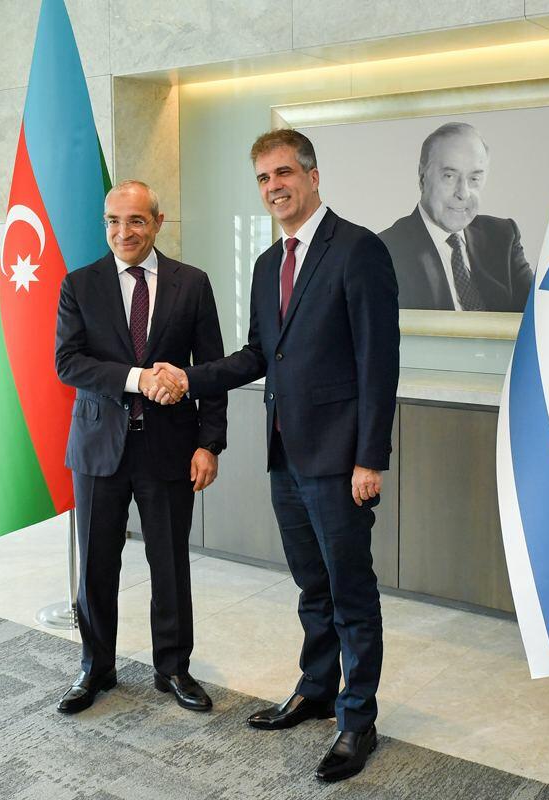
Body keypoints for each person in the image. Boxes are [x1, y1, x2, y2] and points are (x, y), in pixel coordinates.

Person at [154, 130, 399, 783]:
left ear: (312, 177)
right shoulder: (269, 264)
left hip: (340, 457)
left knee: (350, 591)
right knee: (311, 585)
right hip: (285, 454)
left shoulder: (358, 250)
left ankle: (357, 719)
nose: (273, 187)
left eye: (283, 173)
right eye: (263, 178)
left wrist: (369, 457)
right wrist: (188, 377)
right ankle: (316, 688)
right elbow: (260, 355)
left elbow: (379, 362)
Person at [53, 180, 227, 715]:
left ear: (157, 222)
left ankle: (172, 667)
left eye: (135, 220)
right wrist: (137, 378)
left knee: (169, 563)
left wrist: (209, 444)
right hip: (98, 449)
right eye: (113, 221)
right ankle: (95, 667)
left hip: (169, 449)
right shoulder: (79, 284)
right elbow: (68, 363)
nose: (123, 232)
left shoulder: (191, 283)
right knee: (96, 564)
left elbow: (211, 370)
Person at [379, 121, 533, 311]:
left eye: (474, 178)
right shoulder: (385, 251)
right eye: (449, 176)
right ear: (422, 177)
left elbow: (539, 316)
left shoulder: (503, 236)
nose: (463, 193)